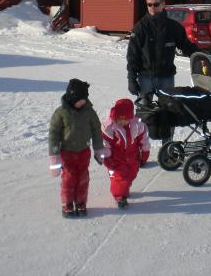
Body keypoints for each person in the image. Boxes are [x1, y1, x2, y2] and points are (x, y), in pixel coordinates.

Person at [126, 0, 198, 142]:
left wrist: (202, 56)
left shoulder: (173, 27)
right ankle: (139, 146)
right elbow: (132, 56)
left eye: (156, 4)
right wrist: (132, 78)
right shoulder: (140, 27)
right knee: (143, 114)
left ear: (163, 4)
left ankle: (168, 146)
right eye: (149, 5)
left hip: (166, 77)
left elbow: (186, 46)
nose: (152, 8)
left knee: (169, 111)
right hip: (145, 77)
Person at [48, 78, 104, 218]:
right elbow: (53, 133)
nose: (83, 102)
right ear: (72, 98)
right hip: (67, 153)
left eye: (84, 99)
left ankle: (80, 202)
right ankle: (67, 203)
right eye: (80, 99)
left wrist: (98, 149)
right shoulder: (61, 113)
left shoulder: (89, 111)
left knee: (83, 178)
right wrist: (54, 156)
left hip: (84, 152)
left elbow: (96, 129)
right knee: (69, 178)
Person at [101, 98, 150, 209]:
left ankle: (124, 188)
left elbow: (144, 140)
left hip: (133, 158)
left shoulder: (138, 126)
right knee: (120, 177)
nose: (121, 122)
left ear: (130, 117)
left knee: (131, 174)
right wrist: (107, 158)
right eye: (119, 119)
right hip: (116, 159)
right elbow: (104, 144)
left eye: (125, 119)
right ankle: (120, 196)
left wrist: (145, 152)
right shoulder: (109, 128)